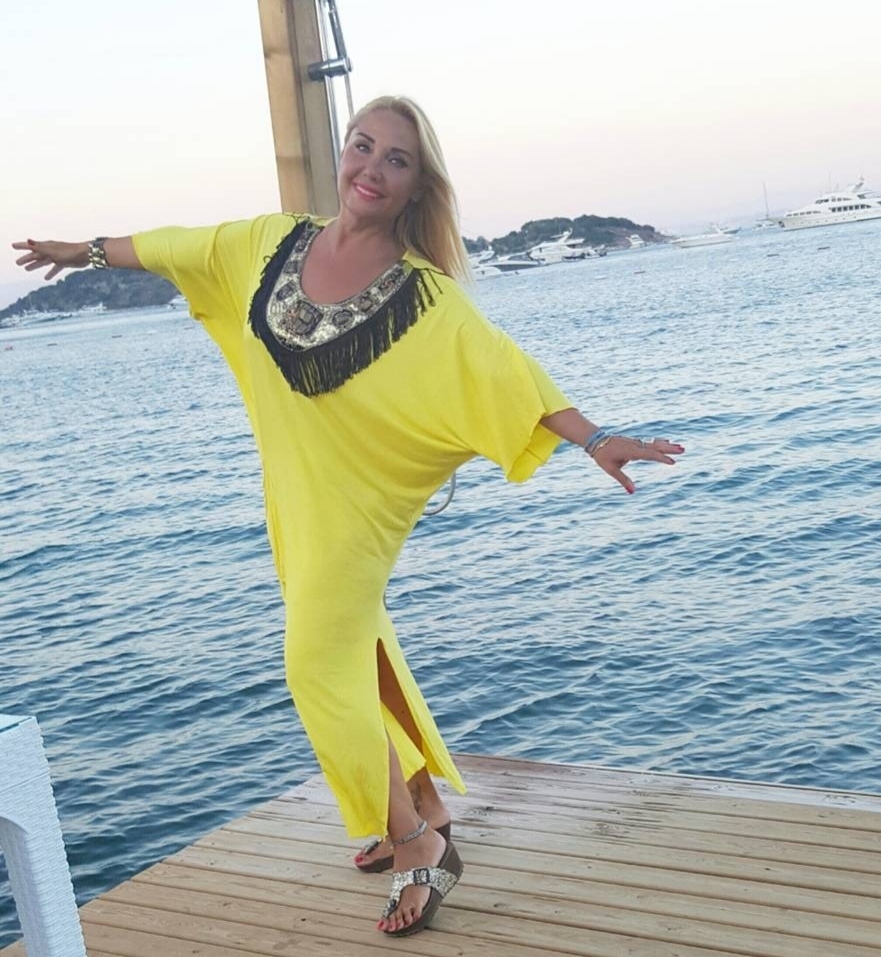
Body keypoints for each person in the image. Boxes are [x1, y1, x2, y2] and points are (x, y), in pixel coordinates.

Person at [13, 94, 684, 937]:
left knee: (315, 666)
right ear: (345, 152)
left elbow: (504, 372)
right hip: (295, 498)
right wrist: (83, 250)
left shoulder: (425, 296)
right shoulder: (271, 243)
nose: (372, 168)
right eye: (363, 146)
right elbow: (177, 245)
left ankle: (415, 845)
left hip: (360, 511)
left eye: (396, 159)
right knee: (361, 655)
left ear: (416, 186)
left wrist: (595, 438)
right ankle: (425, 804)